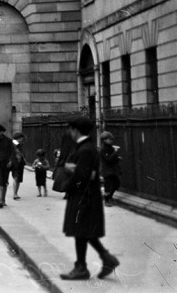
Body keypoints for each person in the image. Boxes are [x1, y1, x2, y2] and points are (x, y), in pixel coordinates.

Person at [60, 116, 119, 281]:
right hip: (86, 196)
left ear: (76, 130)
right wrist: (75, 170)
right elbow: (86, 173)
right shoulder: (85, 147)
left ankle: (82, 267)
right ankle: (106, 259)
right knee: (83, 231)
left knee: (81, 231)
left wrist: (69, 184)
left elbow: (82, 177)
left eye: (71, 129)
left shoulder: (85, 149)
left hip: (83, 197)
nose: (70, 132)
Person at [99, 131, 122, 207]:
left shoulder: (110, 147)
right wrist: (115, 152)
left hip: (112, 170)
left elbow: (111, 157)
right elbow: (108, 159)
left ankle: (110, 197)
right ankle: (107, 200)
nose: (112, 140)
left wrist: (117, 158)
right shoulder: (103, 149)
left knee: (116, 184)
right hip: (107, 170)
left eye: (112, 139)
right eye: (110, 139)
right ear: (105, 140)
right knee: (108, 186)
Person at [11, 132, 27, 200]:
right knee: (16, 177)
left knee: (18, 179)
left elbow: (22, 153)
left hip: (20, 162)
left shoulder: (19, 145)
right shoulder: (13, 144)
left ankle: (16, 193)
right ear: (18, 138)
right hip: (15, 163)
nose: (22, 140)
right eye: (21, 139)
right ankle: (15, 194)